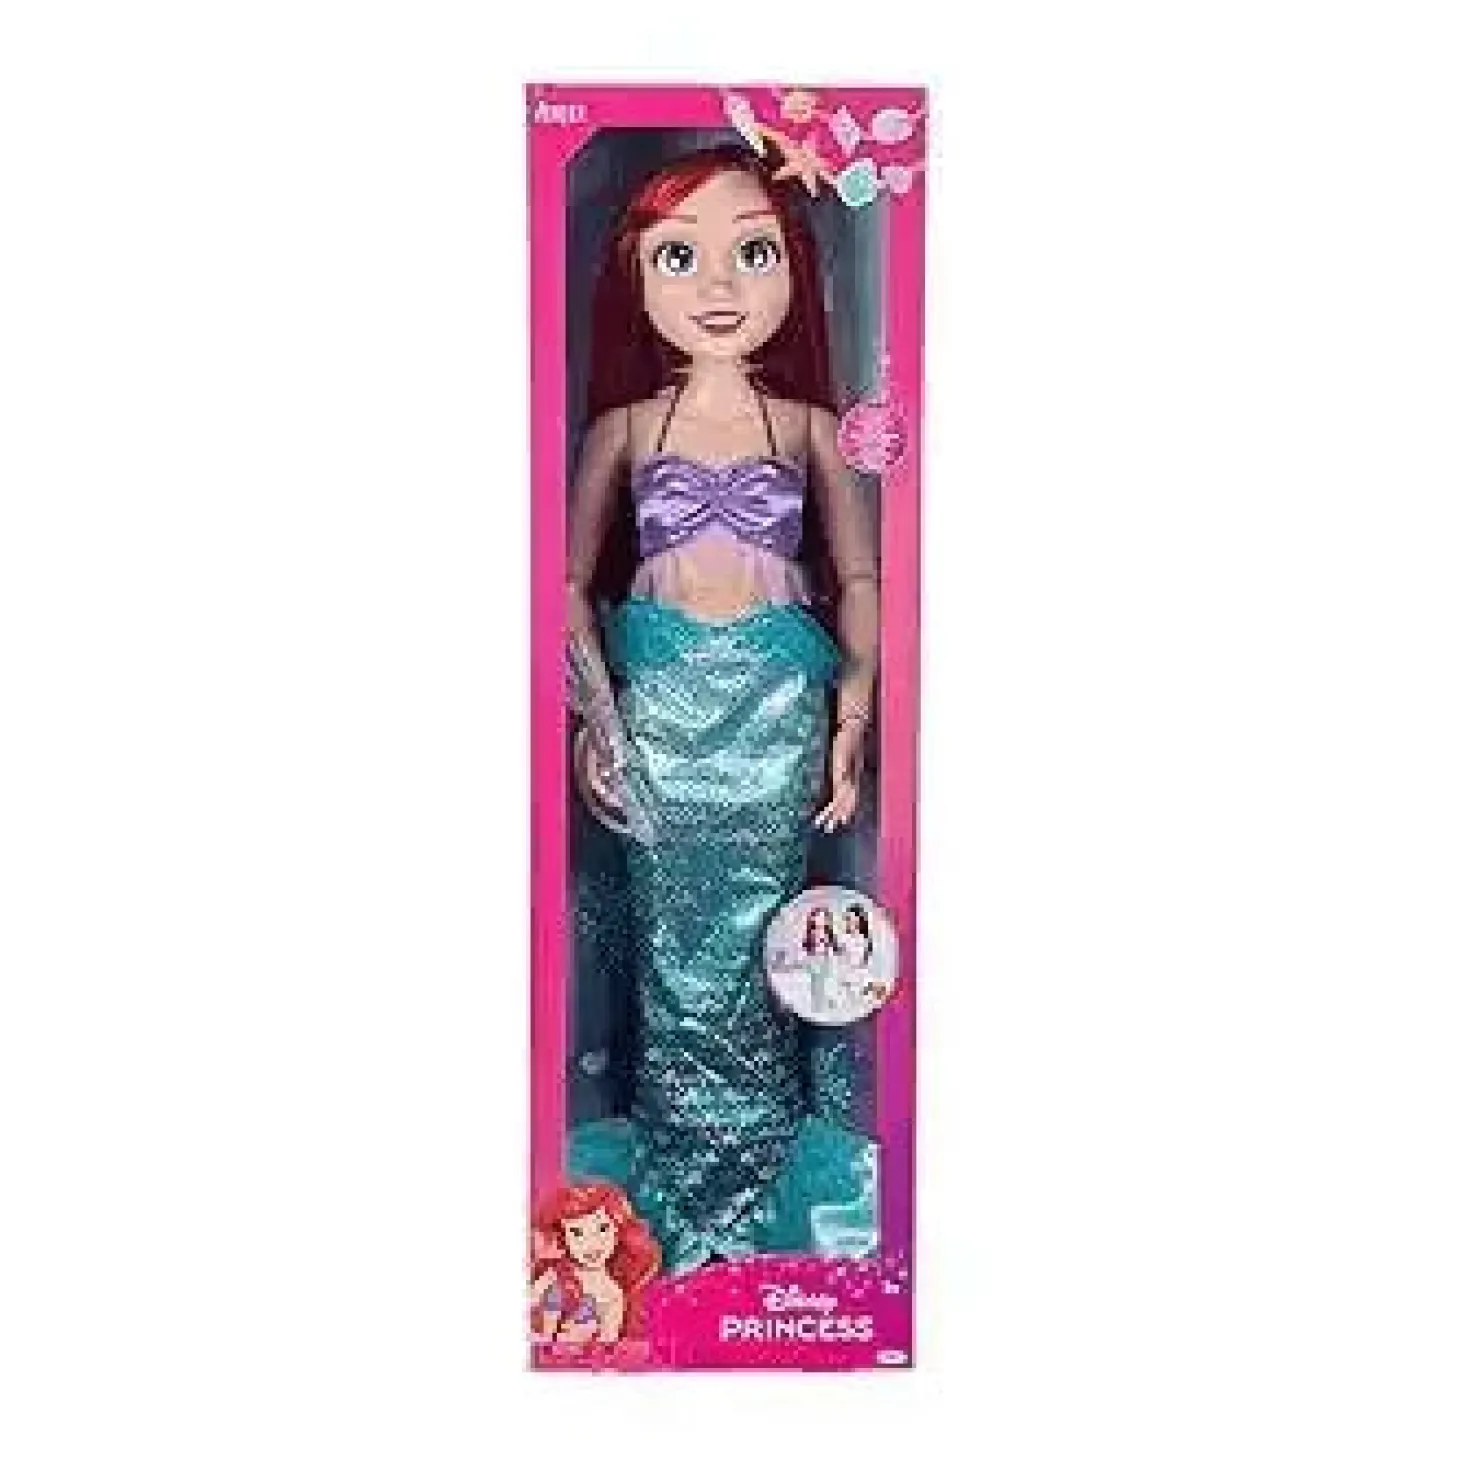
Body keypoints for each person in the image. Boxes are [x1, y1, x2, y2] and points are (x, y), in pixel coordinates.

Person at [563, 145, 880, 1273]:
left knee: (766, 944)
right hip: (657, 718)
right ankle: (676, 1181)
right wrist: (598, 721)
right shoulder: (624, 430)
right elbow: (564, 583)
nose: (717, 285)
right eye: (678, 256)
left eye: (753, 253)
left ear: (794, 267)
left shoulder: (804, 427)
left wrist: (849, 725)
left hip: (777, 712)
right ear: (634, 273)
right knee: (668, 950)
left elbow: (859, 579)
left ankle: (760, 1178)